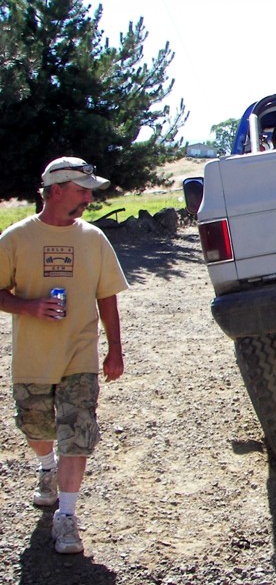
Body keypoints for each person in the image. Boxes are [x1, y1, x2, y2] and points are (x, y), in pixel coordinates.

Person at [0, 157, 129, 554]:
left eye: (89, 190)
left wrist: (114, 349)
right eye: (81, 190)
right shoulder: (16, 238)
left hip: (80, 354)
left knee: (78, 431)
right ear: (56, 190)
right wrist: (28, 307)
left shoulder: (93, 238)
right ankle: (46, 468)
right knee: (35, 428)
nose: (89, 197)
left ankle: (67, 516)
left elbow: (106, 294)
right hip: (33, 358)